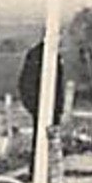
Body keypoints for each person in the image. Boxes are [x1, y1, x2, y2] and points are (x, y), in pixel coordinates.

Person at [16, 40, 67, 170]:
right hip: (42, 107)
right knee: (41, 140)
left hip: (52, 107)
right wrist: (35, 106)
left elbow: (58, 85)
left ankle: (51, 174)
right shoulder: (38, 55)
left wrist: (59, 106)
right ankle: (39, 171)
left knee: (52, 142)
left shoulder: (54, 55)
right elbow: (26, 83)